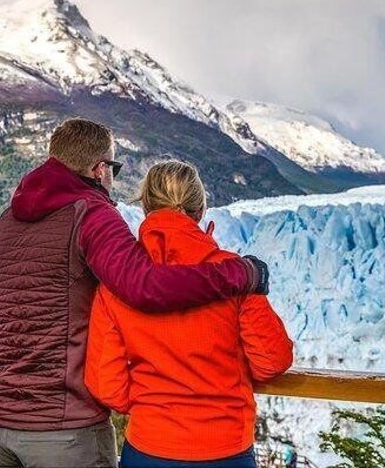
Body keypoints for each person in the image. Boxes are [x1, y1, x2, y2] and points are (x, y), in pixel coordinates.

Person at [0, 119, 270, 468]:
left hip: (0, 427)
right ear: (100, 169)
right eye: (113, 167)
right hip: (63, 432)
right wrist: (242, 272)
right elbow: (144, 286)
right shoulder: (92, 214)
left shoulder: (6, 221)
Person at [85, 160, 293, 468]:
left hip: (149, 448)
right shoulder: (236, 275)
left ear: (146, 206)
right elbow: (271, 361)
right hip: (226, 449)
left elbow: (106, 386)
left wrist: (153, 408)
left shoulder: (118, 285)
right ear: (200, 208)